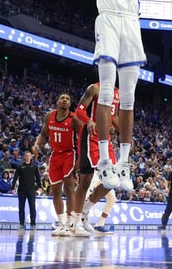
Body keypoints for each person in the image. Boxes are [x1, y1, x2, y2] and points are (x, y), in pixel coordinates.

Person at [76, 0, 169, 192]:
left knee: (127, 98)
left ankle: (124, 164)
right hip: (109, 21)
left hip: (131, 24)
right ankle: (104, 160)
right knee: (105, 91)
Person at [32, 92, 82, 236]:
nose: (65, 100)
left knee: (69, 186)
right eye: (62, 98)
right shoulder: (49, 116)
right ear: (57, 102)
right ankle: (61, 223)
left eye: (67, 98)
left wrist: (80, 159)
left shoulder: (74, 119)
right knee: (55, 190)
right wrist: (36, 144)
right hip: (55, 155)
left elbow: (82, 139)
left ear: (70, 104)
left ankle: (70, 222)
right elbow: (43, 134)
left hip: (69, 154)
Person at [73, 82, 120, 234]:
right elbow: (79, 110)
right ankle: (75, 220)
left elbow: (114, 117)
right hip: (90, 135)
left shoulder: (117, 93)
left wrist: (126, 135)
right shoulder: (94, 88)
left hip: (106, 139)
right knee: (86, 179)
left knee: (112, 179)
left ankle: (85, 211)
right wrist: (88, 120)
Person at [13, 151, 39, 229]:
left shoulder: (34, 167)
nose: (27, 157)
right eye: (26, 156)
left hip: (31, 189)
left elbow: (38, 178)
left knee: (32, 207)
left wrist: (39, 187)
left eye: (29, 156)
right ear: (24, 157)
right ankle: (21, 223)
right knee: (21, 207)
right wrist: (12, 188)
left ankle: (33, 223)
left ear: (31, 157)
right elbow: (15, 178)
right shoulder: (20, 166)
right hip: (21, 190)